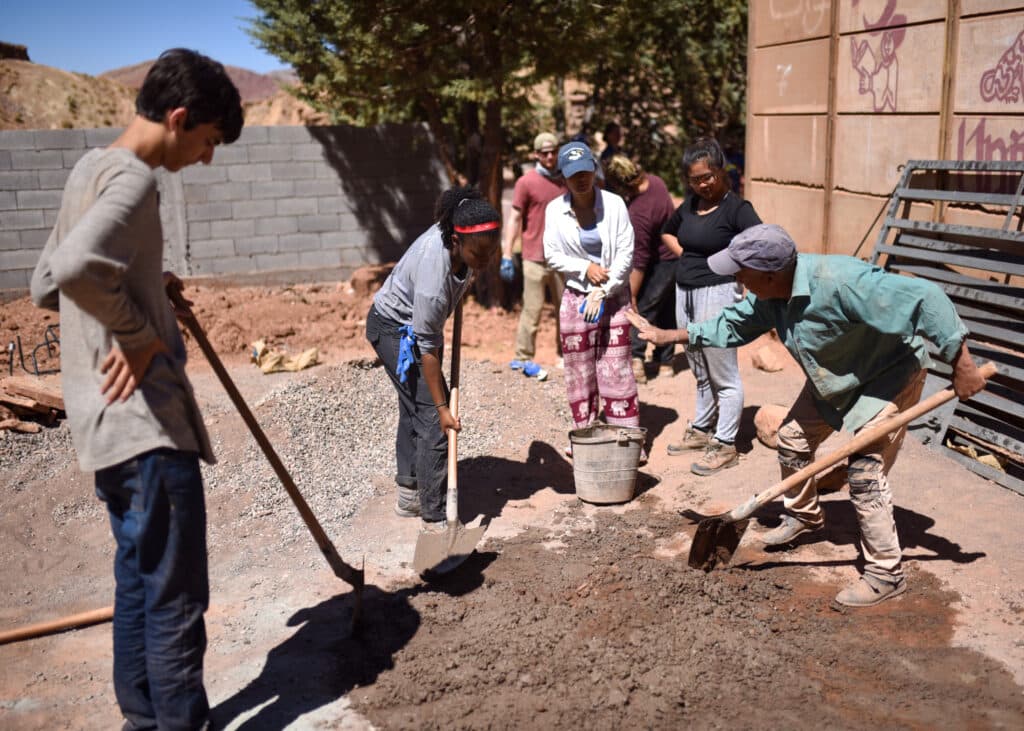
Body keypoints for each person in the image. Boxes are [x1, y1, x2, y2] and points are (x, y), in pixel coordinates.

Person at [29, 48, 243, 730]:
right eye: (208, 141)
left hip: (105, 434)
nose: (207, 158)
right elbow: (72, 269)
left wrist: (152, 289)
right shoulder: (136, 179)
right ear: (179, 120)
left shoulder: (88, 168)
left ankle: (143, 721)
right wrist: (140, 333)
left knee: (138, 586)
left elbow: (40, 281)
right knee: (176, 596)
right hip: (148, 430)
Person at [629, 223, 987, 607]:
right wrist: (671, 336)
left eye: (740, 270)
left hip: (887, 376)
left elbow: (927, 297)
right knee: (792, 440)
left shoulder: (841, 282)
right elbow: (733, 323)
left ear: (769, 272)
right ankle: (803, 515)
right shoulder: (772, 295)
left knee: (864, 472)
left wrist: (961, 362)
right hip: (834, 378)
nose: (736, 278)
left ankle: (886, 573)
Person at [367, 187, 501, 527]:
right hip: (394, 331)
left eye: (491, 252)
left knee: (414, 405)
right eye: (478, 254)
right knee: (431, 416)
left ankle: (410, 494)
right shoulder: (432, 273)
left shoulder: (465, 235)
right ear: (456, 241)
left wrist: (471, 270)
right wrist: (444, 410)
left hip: (415, 325)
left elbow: (435, 325)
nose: (485, 261)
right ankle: (436, 514)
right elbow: (426, 348)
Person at [662, 137, 762, 476]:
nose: (703, 184)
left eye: (708, 176)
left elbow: (760, 245)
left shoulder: (737, 209)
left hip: (718, 293)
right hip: (685, 292)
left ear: (721, 172)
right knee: (699, 367)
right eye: (695, 179)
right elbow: (667, 232)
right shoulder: (689, 206)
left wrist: (729, 268)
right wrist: (689, 258)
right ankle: (703, 429)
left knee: (723, 373)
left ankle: (725, 443)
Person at [543, 142, 640, 455]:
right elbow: (551, 255)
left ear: (594, 170)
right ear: (563, 178)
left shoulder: (614, 205)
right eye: (573, 175)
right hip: (576, 298)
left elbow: (626, 253)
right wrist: (585, 268)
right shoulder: (554, 210)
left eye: (586, 171)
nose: (581, 179)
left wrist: (604, 287)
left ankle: (628, 441)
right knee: (579, 370)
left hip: (612, 297)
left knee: (616, 367)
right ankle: (584, 437)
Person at [603, 154, 677, 385]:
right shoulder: (657, 182)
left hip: (662, 262)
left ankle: (636, 361)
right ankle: (665, 362)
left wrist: (632, 293)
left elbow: (640, 259)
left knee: (642, 308)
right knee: (666, 308)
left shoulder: (638, 212)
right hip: (673, 257)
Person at [500, 132, 566, 381]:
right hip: (533, 256)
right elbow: (515, 218)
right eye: (544, 152)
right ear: (536, 154)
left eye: (553, 151)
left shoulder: (566, 180)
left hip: (563, 257)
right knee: (532, 310)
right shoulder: (526, 182)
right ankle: (523, 357)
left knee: (565, 310)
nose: (550, 156)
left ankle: (566, 355)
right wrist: (507, 254)